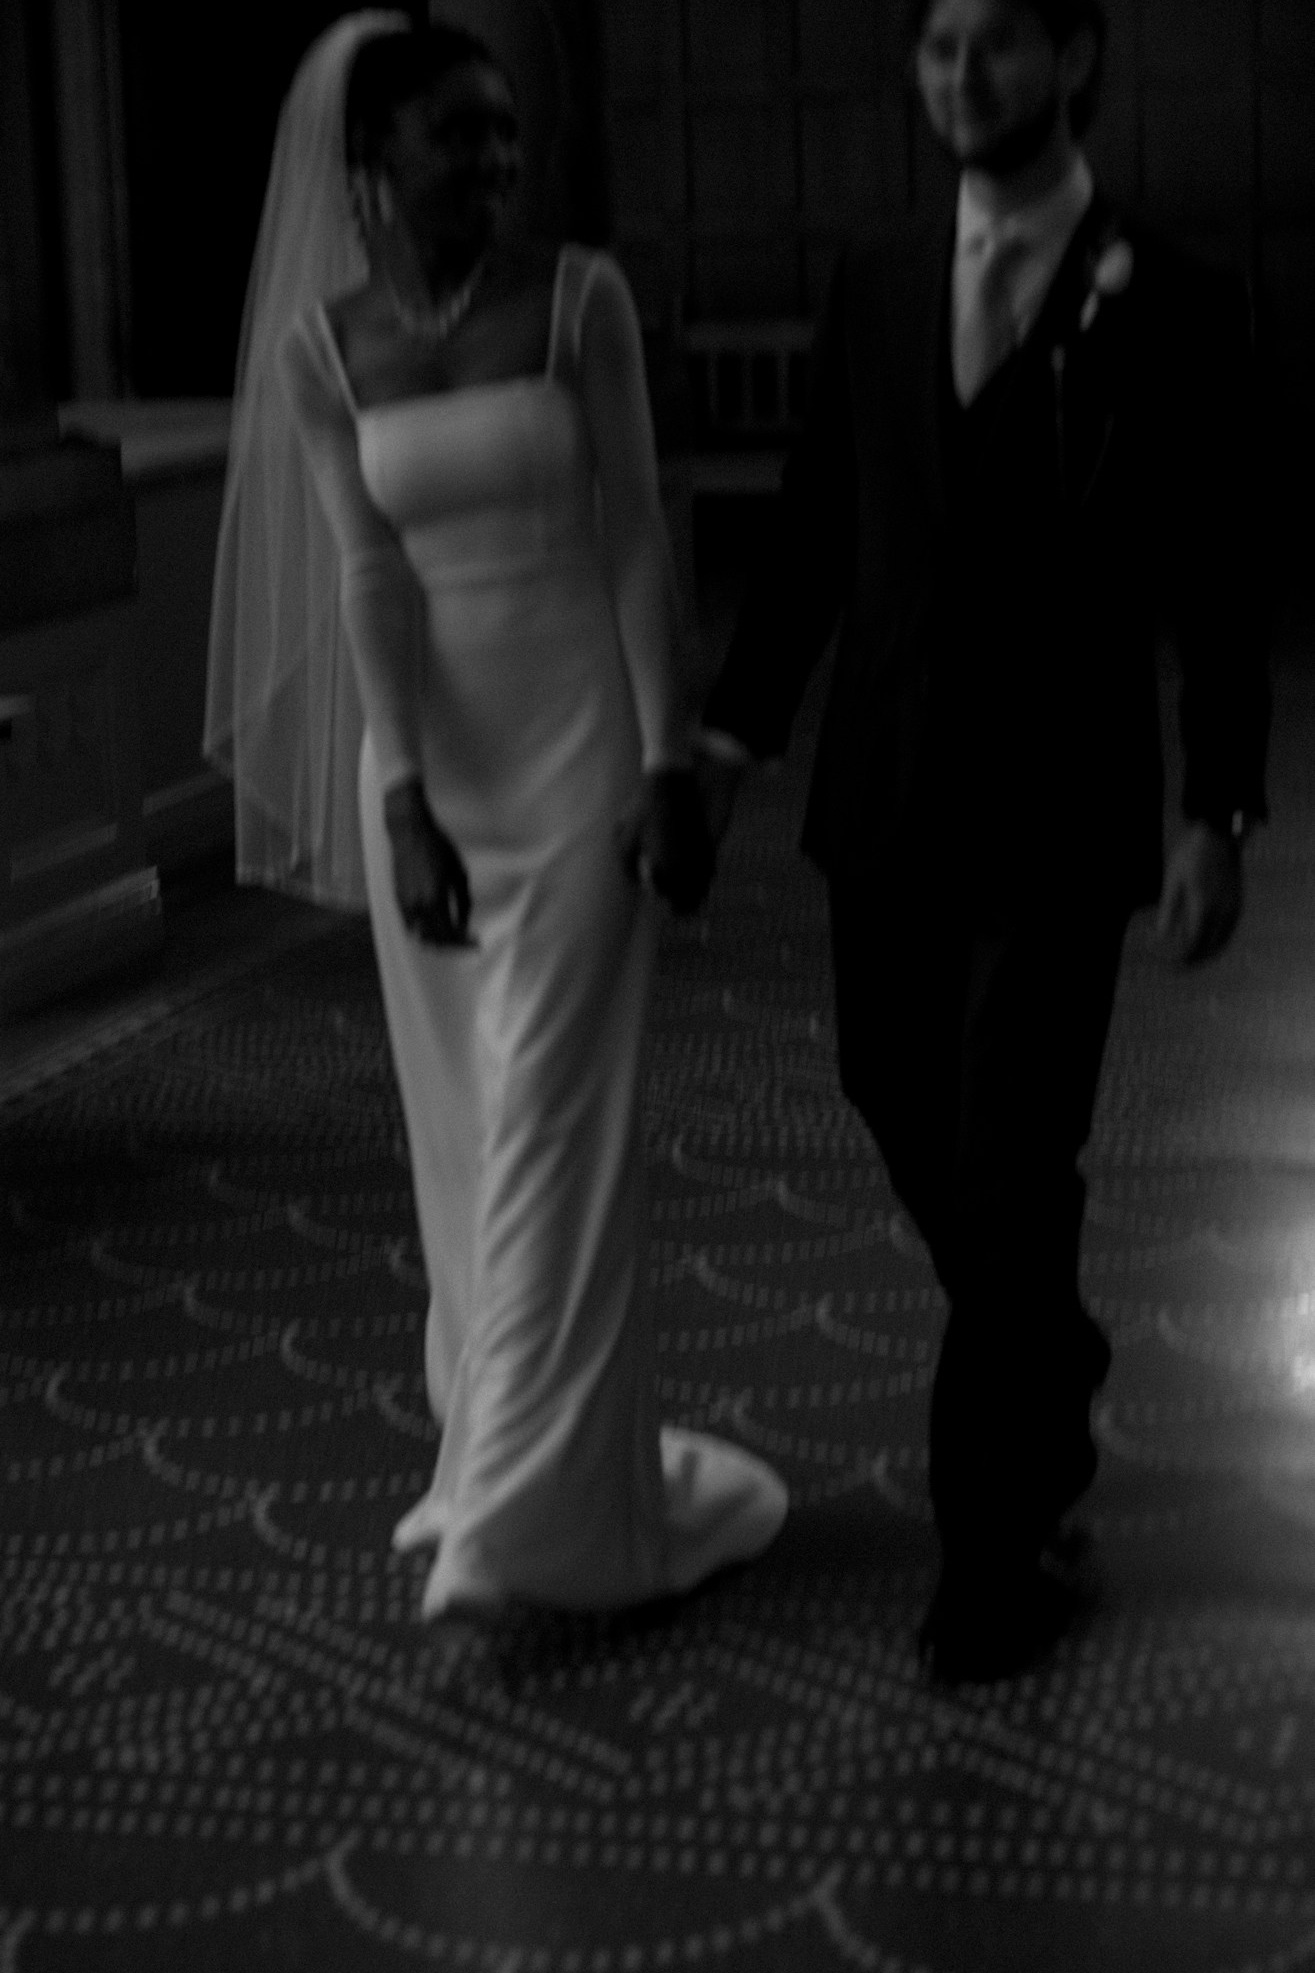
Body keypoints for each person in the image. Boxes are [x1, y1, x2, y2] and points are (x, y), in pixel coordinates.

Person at [696, 0, 1269, 1679]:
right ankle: (1055, 1352)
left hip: (1063, 804)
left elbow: (1221, 579)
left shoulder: (1175, 294)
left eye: (1001, 45)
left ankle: (990, 1549)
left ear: (1076, 57)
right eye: (940, 47)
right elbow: (812, 528)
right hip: (884, 790)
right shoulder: (876, 283)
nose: (965, 78)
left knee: (1014, 1159)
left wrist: (1214, 809)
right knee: (896, 1091)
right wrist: (731, 740)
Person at [204, 13, 786, 1620]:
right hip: (441, 775)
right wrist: (396, 800)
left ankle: (520, 1528)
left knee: (553, 1124)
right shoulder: (321, 350)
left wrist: (670, 758)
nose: (497, 164)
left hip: (583, 746)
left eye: (508, 136)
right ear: (371, 166)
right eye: (460, 137)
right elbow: (370, 571)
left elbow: (636, 538)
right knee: (463, 1128)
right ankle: (512, 1459)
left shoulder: (580, 298)